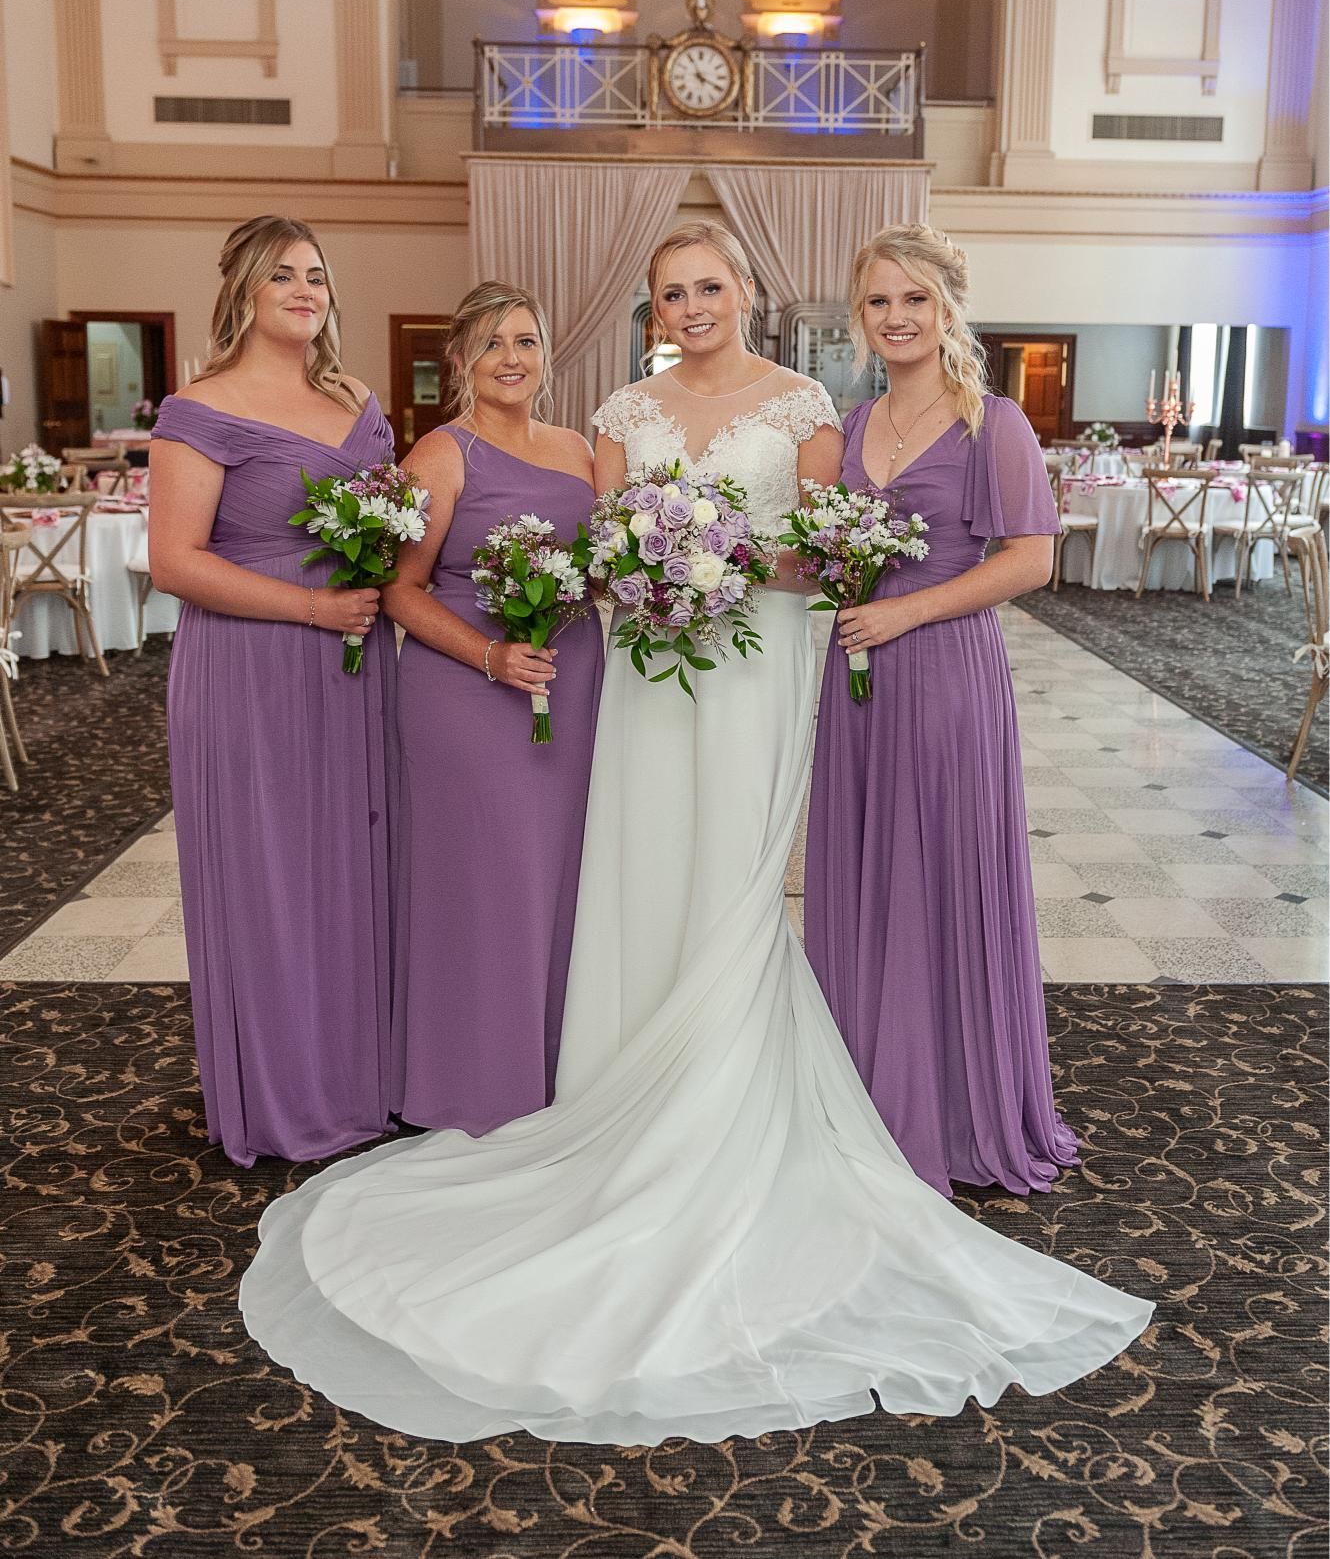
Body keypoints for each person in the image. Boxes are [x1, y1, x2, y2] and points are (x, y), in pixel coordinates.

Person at [240, 221, 1150, 1446]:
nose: (691, 304)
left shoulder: (809, 406)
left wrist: (722, 559)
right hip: (655, 670)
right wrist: (653, 570)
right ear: (655, 308)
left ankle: (738, 1080)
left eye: (709, 286)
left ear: (747, 293)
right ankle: (631, 1084)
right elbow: (607, 564)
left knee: (737, 876)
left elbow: (828, 557)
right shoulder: (622, 412)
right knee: (648, 861)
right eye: (671, 292)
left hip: (761, 664)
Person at [803, 223, 1077, 1197]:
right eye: (878, 301)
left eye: (913, 298)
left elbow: (1030, 559)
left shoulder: (989, 423)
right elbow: (821, 550)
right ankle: (869, 1096)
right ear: (859, 316)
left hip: (947, 675)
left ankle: (954, 1109)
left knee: (940, 875)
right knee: (872, 875)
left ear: (948, 306)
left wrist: (900, 611)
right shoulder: (850, 423)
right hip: (857, 681)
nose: (896, 317)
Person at [149, 215, 394, 1167]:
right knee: (270, 873)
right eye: (284, 274)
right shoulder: (199, 408)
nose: (306, 289)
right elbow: (173, 561)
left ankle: (360, 1081)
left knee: (354, 861)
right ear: (245, 290)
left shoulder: (356, 401)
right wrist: (306, 609)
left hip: (354, 666)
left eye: (318, 275)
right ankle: (285, 1094)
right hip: (250, 665)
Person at [384, 282, 604, 1133]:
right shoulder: (440, 456)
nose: (512, 359)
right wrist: (491, 654)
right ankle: (475, 1082)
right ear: (461, 363)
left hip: (571, 682)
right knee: (487, 883)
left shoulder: (579, 447)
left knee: (557, 881)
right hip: (467, 694)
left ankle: (554, 1069)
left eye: (526, 341)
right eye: (492, 344)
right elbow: (399, 591)